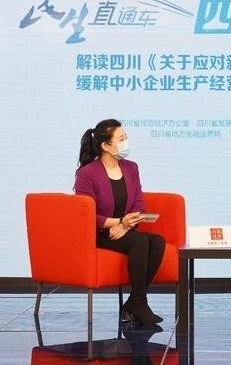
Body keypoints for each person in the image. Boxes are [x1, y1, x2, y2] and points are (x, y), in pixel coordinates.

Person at [74, 119, 166, 325]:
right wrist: (119, 222)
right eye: (121, 139)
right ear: (106, 146)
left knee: (157, 241)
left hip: (124, 230)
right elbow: (86, 215)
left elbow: (139, 202)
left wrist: (125, 225)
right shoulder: (87, 174)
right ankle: (139, 303)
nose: (126, 142)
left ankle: (133, 302)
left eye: (126, 138)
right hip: (99, 234)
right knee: (140, 241)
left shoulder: (131, 168)